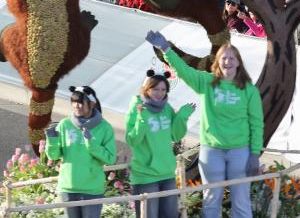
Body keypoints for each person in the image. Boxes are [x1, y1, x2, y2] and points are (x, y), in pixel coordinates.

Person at [146, 33, 263, 218]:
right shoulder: (206, 82)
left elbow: (257, 124)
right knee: (211, 200)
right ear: (218, 62)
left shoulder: (249, 90)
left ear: (239, 62)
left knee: (241, 202)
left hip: (239, 152)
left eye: (232, 58)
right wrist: (165, 49)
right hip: (212, 151)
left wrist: (255, 154)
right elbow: (184, 71)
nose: (228, 62)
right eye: (224, 58)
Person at [126, 70, 196, 218]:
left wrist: (182, 116)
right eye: (155, 89)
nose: (159, 93)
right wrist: (141, 119)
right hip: (145, 176)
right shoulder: (137, 108)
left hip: (167, 173)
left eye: (163, 89)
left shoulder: (166, 108)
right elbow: (132, 140)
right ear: (147, 89)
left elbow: (175, 135)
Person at [45, 85, 116, 218]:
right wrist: (52, 139)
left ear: (92, 103)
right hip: (68, 187)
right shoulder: (65, 124)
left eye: (80, 102)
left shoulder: (105, 128)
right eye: (74, 102)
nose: (76, 106)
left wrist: (91, 143)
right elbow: (53, 155)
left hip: (92, 189)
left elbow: (110, 158)